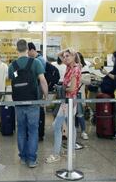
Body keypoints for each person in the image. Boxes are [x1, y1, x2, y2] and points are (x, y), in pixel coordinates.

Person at [9, 39, 48, 168]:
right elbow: (42, 81)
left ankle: (22, 157)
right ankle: (31, 160)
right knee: (33, 130)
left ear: (16, 49)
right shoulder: (35, 62)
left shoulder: (12, 66)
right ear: (27, 49)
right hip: (33, 102)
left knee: (21, 130)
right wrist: (46, 97)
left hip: (19, 102)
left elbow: (13, 81)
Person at [45, 49, 82, 164]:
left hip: (69, 101)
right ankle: (71, 152)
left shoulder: (75, 69)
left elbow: (72, 88)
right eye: (65, 56)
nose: (65, 58)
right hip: (68, 101)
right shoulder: (69, 67)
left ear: (74, 56)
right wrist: (67, 51)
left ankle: (56, 154)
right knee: (70, 127)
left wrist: (62, 88)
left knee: (57, 126)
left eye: (68, 56)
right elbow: (58, 55)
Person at [28, 42, 47, 141]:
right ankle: (37, 133)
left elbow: (41, 79)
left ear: (31, 50)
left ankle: (39, 133)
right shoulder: (37, 60)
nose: (27, 54)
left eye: (28, 51)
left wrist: (45, 95)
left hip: (38, 89)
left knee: (38, 111)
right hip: (36, 89)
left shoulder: (39, 60)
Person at [76, 52, 91, 140]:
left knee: (80, 114)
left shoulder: (85, 68)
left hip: (80, 94)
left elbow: (88, 82)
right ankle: (74, 129)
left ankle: (83, 131)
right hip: (71, 94)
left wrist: (78, 77)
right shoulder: (71, 67)